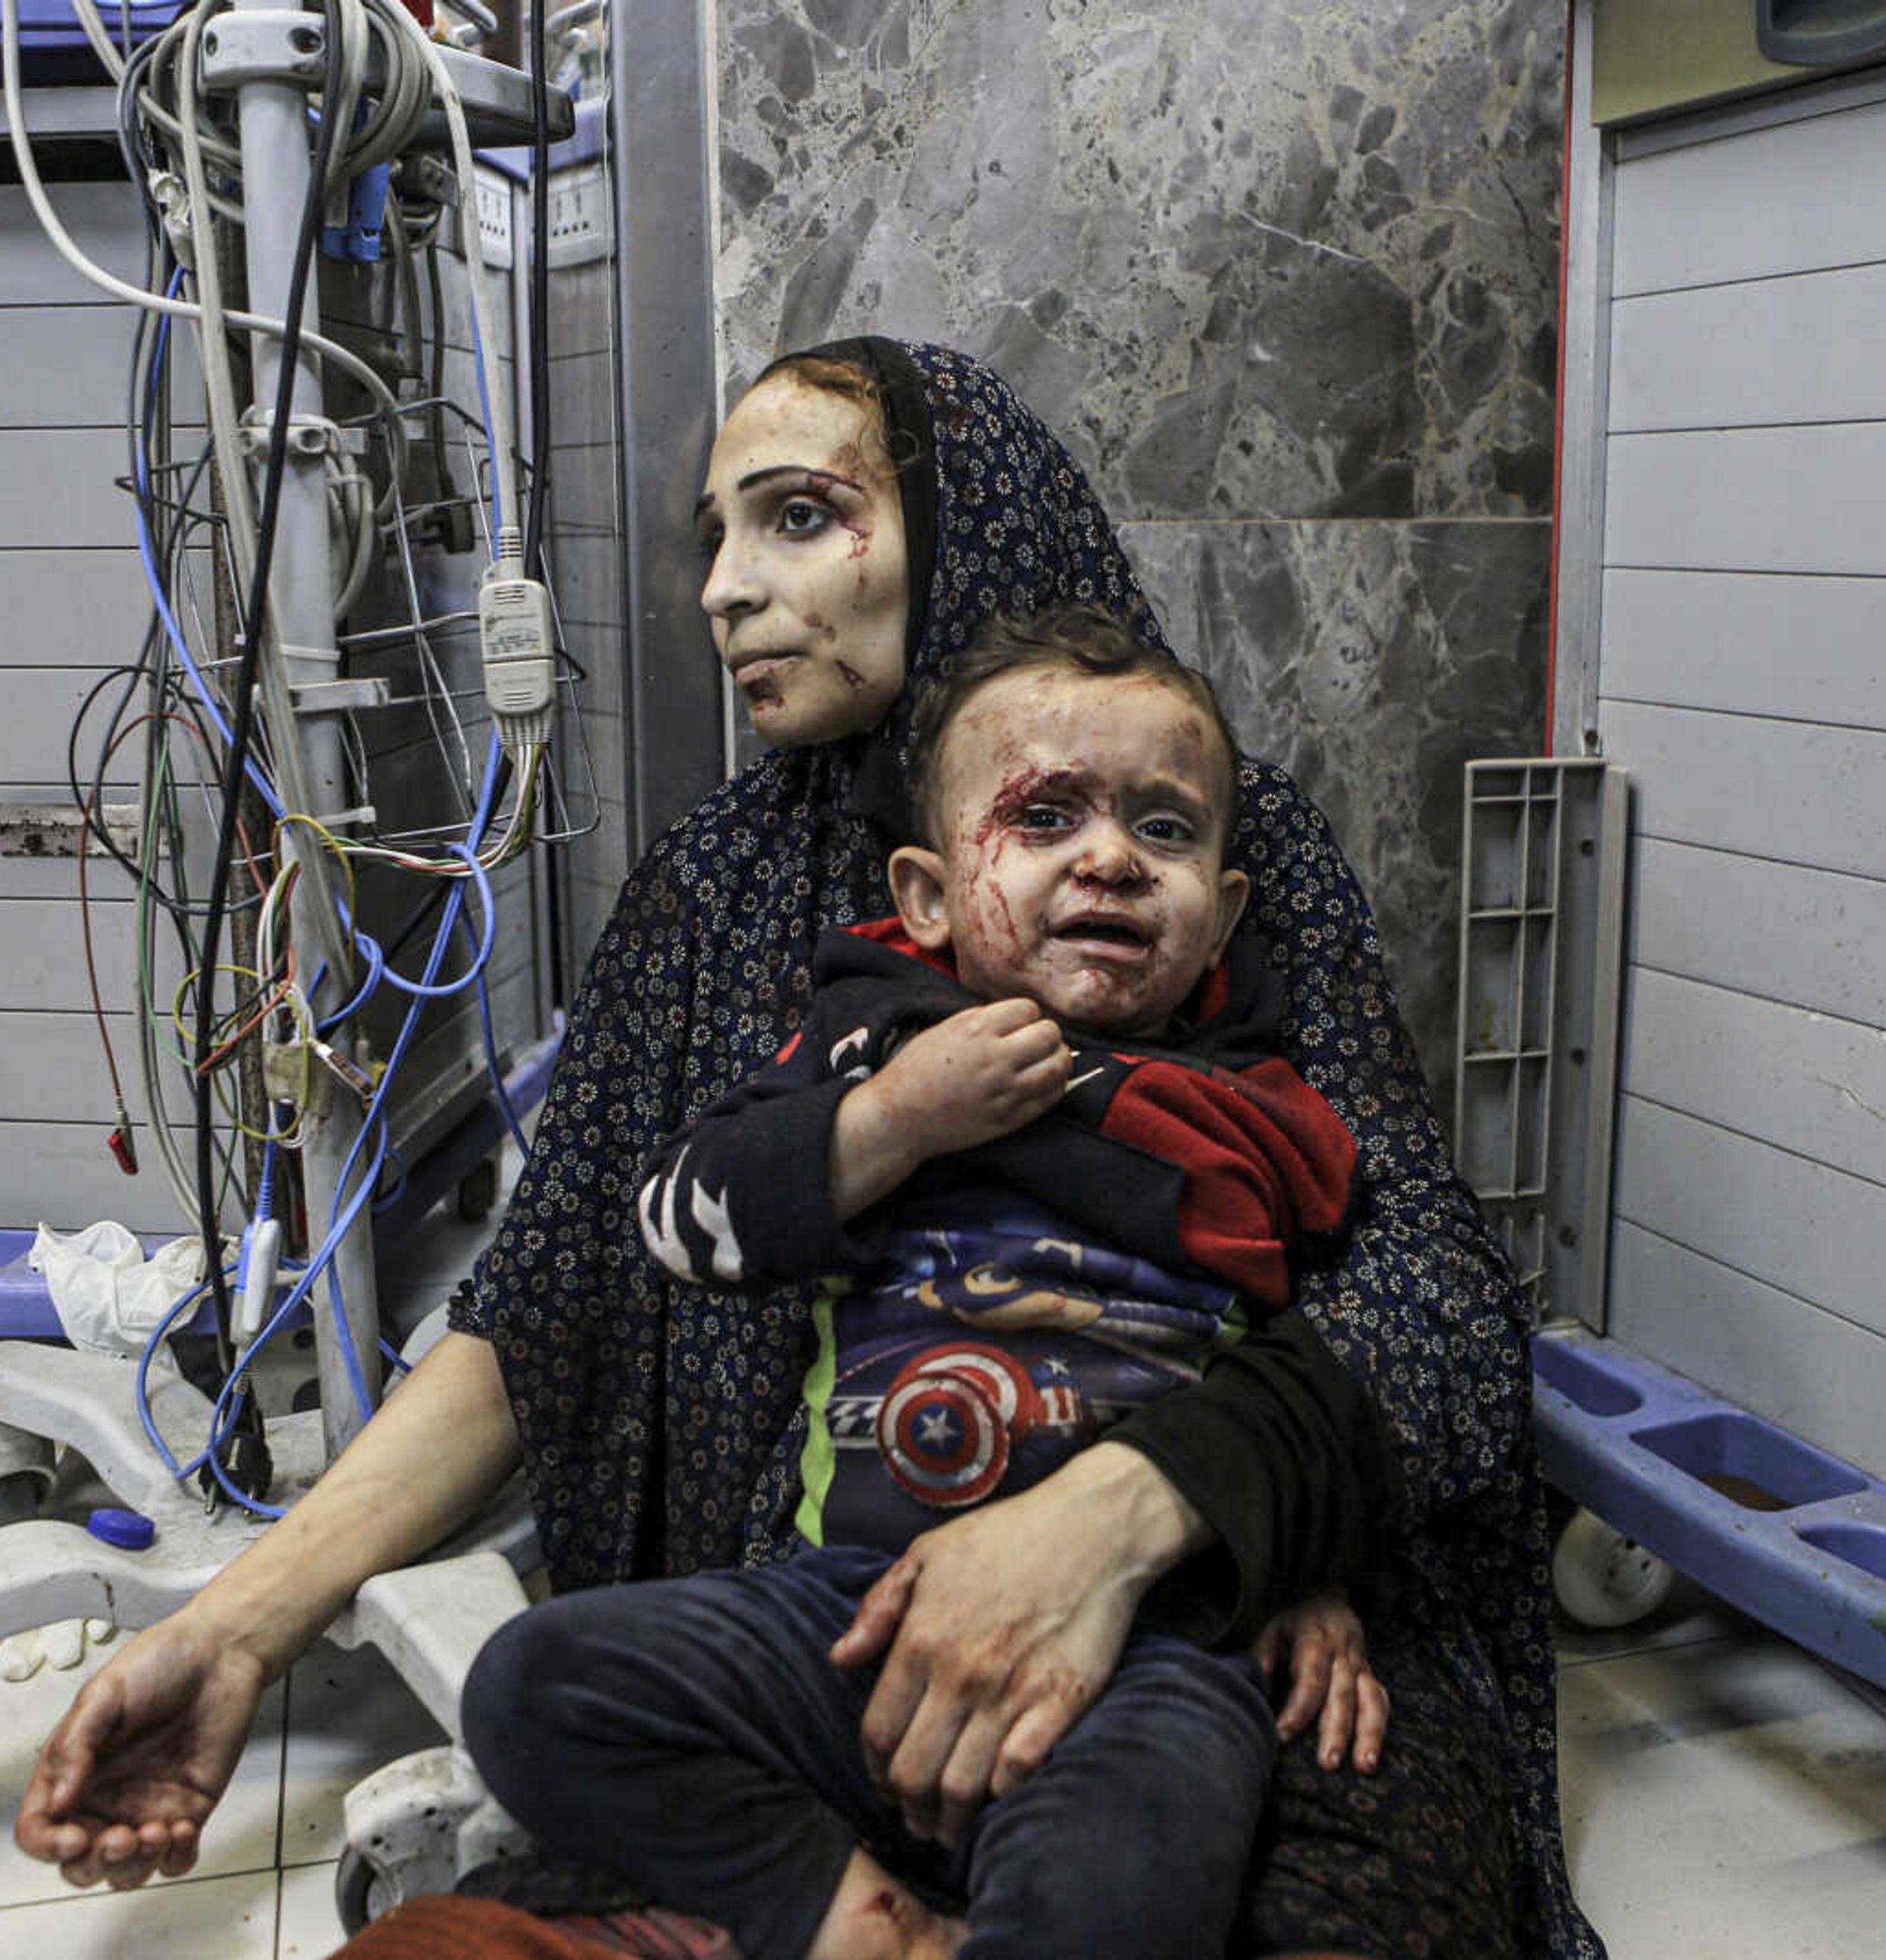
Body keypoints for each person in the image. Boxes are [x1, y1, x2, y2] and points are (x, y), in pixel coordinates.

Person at [17, 339, 1600, 1960]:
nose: (725, 590)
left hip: (1213, 1593)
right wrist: (235, 1633)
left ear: (966, 526)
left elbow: (1428, 1299)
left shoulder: (1198, 853)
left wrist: (1116, 1523)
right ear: (919, 893)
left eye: (793, 519)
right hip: (833, 1619)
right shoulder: (715, 887)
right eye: (716, 536)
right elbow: (546, 1308)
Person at [464, 606, 1368, 1960]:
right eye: (1047, 816)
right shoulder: (874, 1040)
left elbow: (1318, 1372)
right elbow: (674, 1217)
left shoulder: (1257, 1108)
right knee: (535, 1685)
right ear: (932, 898)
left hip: (1144, 1646)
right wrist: (887, 1124)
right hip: (849, 1606)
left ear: (1225, 911)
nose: (1112, 857)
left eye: (1167, 831)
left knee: (1129, 1876)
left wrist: (1303, 1564)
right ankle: (867, 1925)